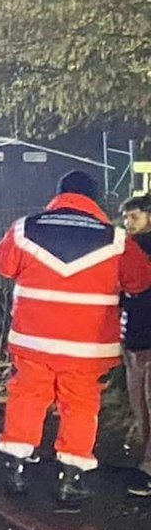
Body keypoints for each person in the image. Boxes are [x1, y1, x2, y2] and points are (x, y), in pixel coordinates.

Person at [0, 170, 151, 509]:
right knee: (80, 407)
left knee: (28, 397)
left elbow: (3, 266)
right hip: (87, 346)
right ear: (93, 200)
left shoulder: (25, 228)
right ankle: (70, 481)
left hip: (34, 340)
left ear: (60, 195)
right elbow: (139, 281)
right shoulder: (116, 239)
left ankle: (17, 469)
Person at [123, 196, 151, 497]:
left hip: (145, 337)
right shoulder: (129, 249)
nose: (128, 224)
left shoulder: (139, 249)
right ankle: (145, 463)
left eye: (134, 217)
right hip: (134, 339)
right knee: (141, 409)